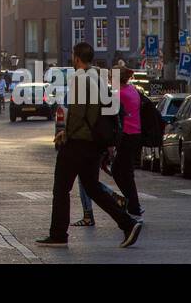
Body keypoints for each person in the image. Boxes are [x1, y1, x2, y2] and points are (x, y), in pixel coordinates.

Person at [36, 42, 142, 248]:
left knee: (61, 188)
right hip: (95, 143)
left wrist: (65, 134)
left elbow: (76, 112)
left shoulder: (79, 78)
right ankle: (128, 223)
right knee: (93, 187)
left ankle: (58, 234)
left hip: (78, 142)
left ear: (76, 58)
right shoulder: (99, 77)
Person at [109, 66, 144, 220]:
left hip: (127, 135)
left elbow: (111, 113)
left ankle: (133, 206)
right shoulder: (132, 90)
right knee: (125, 171)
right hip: (135, 134)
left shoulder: (120, 94)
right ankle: (133, 204)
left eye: (111, 77)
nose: (109, 80)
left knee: (119, 171)